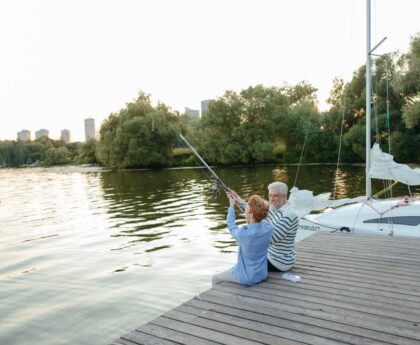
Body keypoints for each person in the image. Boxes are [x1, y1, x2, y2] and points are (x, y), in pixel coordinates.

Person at [229, 181, 298, 272]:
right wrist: (237, 199)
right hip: (269, 255)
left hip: (280, 262)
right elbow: (254, 213)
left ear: (285, 196)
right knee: (244, 258)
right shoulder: (274, 207)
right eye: (270, 195)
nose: (271, 199)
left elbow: (268, 240)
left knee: (245, 259)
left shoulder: (289, 215)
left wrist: (247, 234)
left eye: (275, 195)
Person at [212, 193, 273, 287]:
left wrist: (231, 206)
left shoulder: (243, 233)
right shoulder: (268, 227)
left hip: (247, 277)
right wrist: (240, 201)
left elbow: (231, 225)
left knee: (215, 278)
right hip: (262, 274)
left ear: (251, 214)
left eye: (247, 210)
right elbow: (258, 215)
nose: (245, 211)